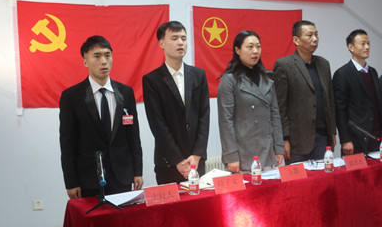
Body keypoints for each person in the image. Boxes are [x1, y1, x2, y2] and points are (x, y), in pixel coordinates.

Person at [60, 35, 143, 199]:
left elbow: (133, 136)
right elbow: (67, 143)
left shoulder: (125, 92)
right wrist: (71, 182)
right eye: (97, 56)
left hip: (122, 176)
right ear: (85, 61)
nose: (103, 61)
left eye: (107, 55)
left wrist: (137, 171)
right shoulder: (72, 96)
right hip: (88, 178)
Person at [143, 21, 210, 184]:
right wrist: (178, 160)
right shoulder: (152, 80)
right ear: (161, 43)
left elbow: (204, 117)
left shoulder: (198, 75)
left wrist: (197, 155)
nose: (180, 42)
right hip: (168, 163)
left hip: (196, 162)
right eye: (174, 38)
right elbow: (157, 124)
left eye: (183, 38)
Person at [217, 30, 285, 172]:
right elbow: (225, 122)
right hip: (243, 154)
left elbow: (275, 115)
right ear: (237, 50)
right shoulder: (230, 79)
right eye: (250, 47)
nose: (255, 51)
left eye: (258, 46)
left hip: (268, 151)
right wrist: (231, 156)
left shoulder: (267, 77)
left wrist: (279, 147)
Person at [273, 20, 336, 163]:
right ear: (296, 40)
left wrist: (332, 131)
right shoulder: (284, 65)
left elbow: (330, 101)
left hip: (323, 138)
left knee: (324, 176)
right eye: (309, 35)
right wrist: (284, 139)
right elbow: (279, 107)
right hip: (297, 142)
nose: (315, 39)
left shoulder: (324, 64)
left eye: (316, 35)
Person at [333, 29, 382, 154]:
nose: (367, 47)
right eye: (363, 44)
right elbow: (340, 110)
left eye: (368, 43)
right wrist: (345, 140)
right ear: (351, 47)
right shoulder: (342, 74)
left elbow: (378, 105)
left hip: (376, 136)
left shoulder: (372, 72)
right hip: (356, 138)